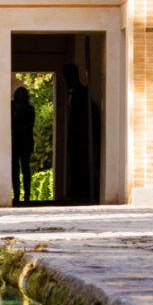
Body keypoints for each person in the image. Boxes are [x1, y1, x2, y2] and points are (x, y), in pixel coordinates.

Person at [62, 60, 92, 203]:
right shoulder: (73, 93)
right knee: (74, 165)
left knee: (80, 165)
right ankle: (75, 192)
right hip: (74, 137)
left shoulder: (82, 93)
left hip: (81, 137)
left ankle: (80, 193)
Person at [11, 80, 35, 205]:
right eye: (18, 94)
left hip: (25, 142)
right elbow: (10, 123)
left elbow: (30, 125)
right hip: (14, 142)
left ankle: (27, 195)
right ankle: (16, 195)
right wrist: (17, 115)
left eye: (23, 94)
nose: (20, 97)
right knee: (14, 170)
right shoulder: (11, 107)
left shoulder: (30, 109)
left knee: (25, 169)